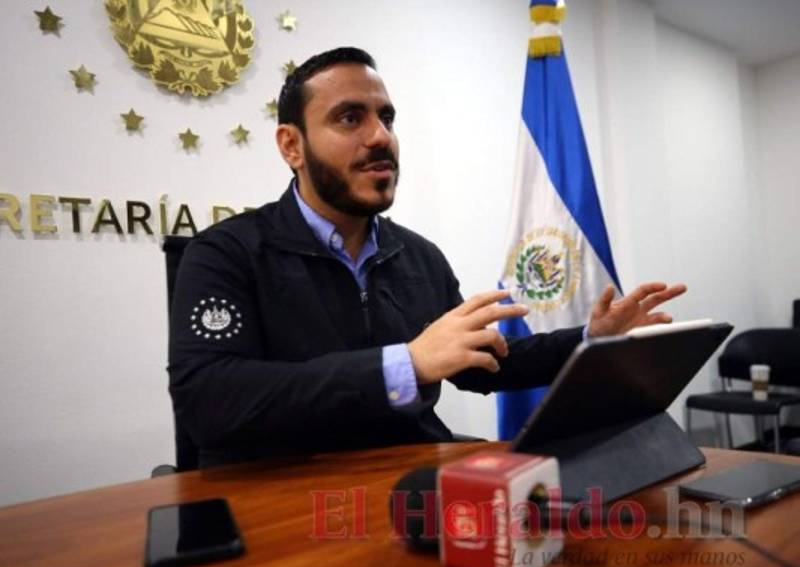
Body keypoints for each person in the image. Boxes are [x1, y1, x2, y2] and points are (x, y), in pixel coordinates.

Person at [168, 47, 685, 467]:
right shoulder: (224, 253)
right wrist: (406, 364)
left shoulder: (418, 257)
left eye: (386, 118)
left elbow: (482, 365)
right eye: (350, 118)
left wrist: (592, 340)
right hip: (285, 503)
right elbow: (211, 402)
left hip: (416, 487)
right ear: (291, 146)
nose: (380, 137)